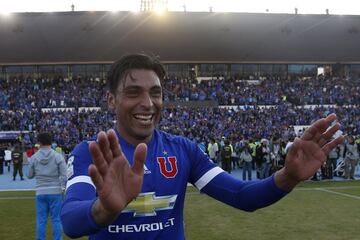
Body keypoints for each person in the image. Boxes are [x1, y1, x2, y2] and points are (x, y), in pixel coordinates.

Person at [61, 53, 344, 240]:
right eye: (133, 92)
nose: (147, 103)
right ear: (111, 100)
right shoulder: (91, 151)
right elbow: (72, 222)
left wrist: (289, 176)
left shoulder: (183, 150)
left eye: (155, 93)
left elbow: (242, 196)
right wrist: (104, 209)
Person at [28, 132, 67, 240]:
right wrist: (63, 188)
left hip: (40, 191)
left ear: (39, 143)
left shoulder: (34, 157)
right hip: (55, 192)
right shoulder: (58, 156)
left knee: (41, 221)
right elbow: (64, 176)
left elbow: (29, 175)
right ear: (51, 142)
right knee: (56, 220)